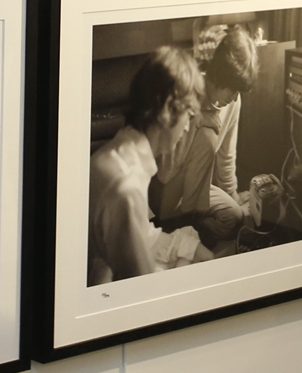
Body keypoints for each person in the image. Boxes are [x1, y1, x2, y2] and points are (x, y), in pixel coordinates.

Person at [88, 47, 215, 285]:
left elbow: (143, 236)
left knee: (190, 243)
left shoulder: (120, 152)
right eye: (188, 114)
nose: (188, 127)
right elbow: (140, 287)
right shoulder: (126, 188)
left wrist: (192, 249)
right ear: (168, 110)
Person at [153, 25, 257, 248]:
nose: (234, 96)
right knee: (208, 138)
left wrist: (233, 196)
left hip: (197, 191)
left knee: (234, 218)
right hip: (166, 188)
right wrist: (198, 119)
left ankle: (186, 229)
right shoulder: (185, 92)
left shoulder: (233, 102)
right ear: (214, 76)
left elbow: (227, 155)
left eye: (239, 90)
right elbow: (165, 169)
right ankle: (177, 228)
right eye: (231, 87)